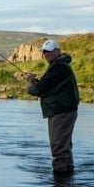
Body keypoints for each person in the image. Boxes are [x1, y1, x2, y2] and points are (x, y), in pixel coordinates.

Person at [24, 39, 80, 177]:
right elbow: (49, 86)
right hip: (64, 110)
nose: (46, 55)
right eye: (44, 52)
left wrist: (31, 87)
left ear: (58, 51)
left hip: (60, 111)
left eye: (49, 52)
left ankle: (59, 181)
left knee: (58, 147)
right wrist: (34, 81)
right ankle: (67, 177)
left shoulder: (59, 67)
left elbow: (38, 90)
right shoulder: (59, 66)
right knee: (64, 147)